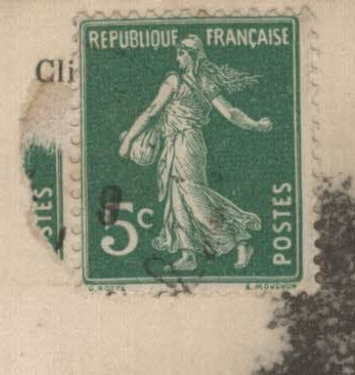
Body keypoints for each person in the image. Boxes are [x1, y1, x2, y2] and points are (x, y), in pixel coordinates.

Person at [118, 35, 275, 272]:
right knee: (177, 198)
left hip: (188, 142)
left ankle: (241, 239)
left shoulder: (183, 81)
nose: (177, 58)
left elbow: (229, 113)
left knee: (193, 195)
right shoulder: (197, 81)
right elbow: (155, 114)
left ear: (192, 56)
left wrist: (128, 140)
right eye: (177, 53)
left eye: (181, 53)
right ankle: (188, 254)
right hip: (173, 144)